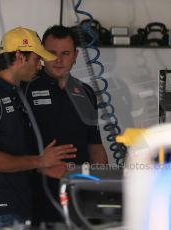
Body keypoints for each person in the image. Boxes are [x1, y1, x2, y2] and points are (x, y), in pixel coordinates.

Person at [0, 26, 77, 230]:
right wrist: (39, 160)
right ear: (19, 56)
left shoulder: (16, 95)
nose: (40, 66)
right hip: (0, 209)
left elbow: (15, 151)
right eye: (37, 59)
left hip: (20, 205)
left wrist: (42, 166)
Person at [24, 25, 108, 225]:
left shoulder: (85, 92)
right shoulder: (25, 88)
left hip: (80, 196)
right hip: (37, 196)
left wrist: (102, 186)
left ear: (76, 55)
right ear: (42, 53)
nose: (59, 60)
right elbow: (11, 143)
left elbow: (95, 146)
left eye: (65, 53)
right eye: (52, 53)